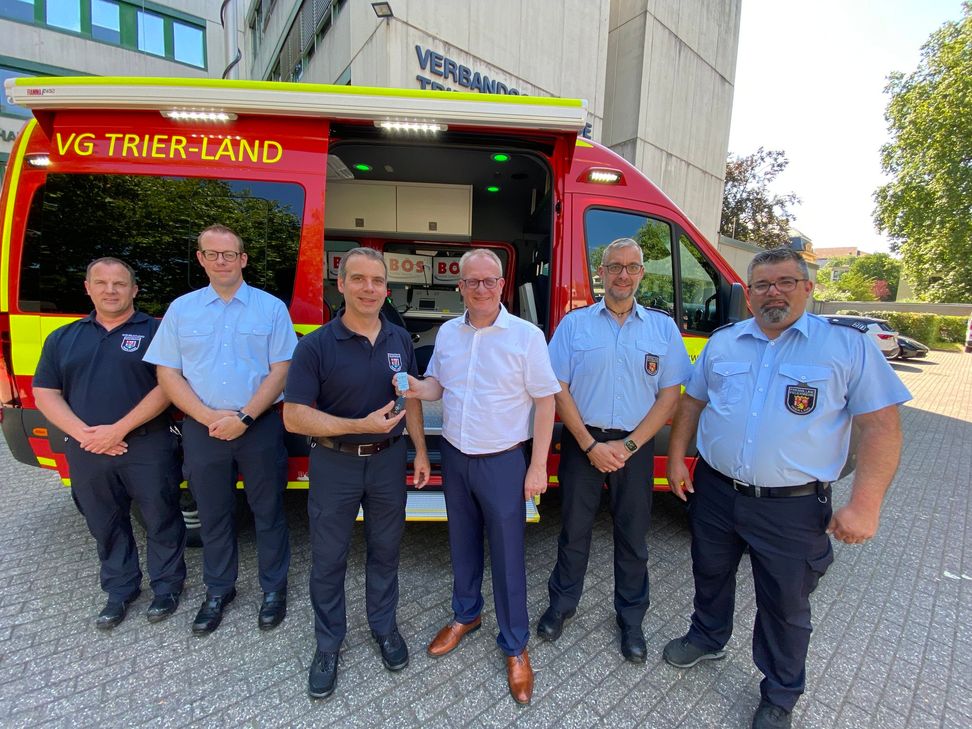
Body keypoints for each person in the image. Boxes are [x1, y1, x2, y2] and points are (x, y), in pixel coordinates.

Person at [664, 247, 911, 729]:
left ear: (808, 288)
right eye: (761, 285)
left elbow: (882, 427)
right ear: (749, 294)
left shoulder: (847, 347)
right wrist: (677, 459)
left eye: (784, 282)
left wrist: (866, 505)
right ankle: (708, 637)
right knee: (709, 572)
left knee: (785, 603)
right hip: (716, 491)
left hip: (792, 507)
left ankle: (780, 692)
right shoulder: (724, 342)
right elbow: (692, 403)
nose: (772, 292)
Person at [397, 248, 560, 705]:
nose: (482, 289)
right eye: (473, 282)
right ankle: (466, 615)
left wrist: (538, 464)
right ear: (460, 287)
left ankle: (515, 645)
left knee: (508, 556)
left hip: (503, 461)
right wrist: (411, 385)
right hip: (457, 455)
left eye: (490, 281)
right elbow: (435, 388)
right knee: (461, 543)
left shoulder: (526, 336)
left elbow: (546, 401)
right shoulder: (448, 333)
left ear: (502, 285)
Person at [282, 247, 431, 700]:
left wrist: (420, 452)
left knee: (386, 552)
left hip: (389, 461)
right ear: (340, 284)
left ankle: (384, 629)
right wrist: (358, 425)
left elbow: (411, 401)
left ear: (388, 289)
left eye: (377, 281)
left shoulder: (400, 341)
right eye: (359, 279)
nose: (369, 289)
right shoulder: (314, 346)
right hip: (336, 463)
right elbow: (293, 417)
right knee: (329, 559)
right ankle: (328, 644)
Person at [537, 238, 692, 661]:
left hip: (634, 445)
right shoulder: (574, 325)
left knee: (633, 534)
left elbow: (670, 395)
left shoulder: (662, 328)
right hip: (582, 441)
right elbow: (558, 388)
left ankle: (631, 618)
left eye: (632, 267)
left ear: (642, 273)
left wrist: (626, 446)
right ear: (600, 272)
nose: (623, 274)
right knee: (573, 530)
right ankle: (561, 605)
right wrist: (589, 445)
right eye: (614, 266)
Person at [144, 224, 297, 635]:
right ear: (201, 259)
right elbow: (168, 373)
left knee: (268, 512)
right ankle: (218, 590)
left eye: (229, 254)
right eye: (212, 254)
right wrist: (210, 417)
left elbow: (282, 369)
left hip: (260, 425)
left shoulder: (270, 309)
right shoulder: (182, 310)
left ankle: (273, 590)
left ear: (243, 259)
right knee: (213, 514)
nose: (221, 261)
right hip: (203, 427)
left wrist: (244, 416)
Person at [33, 257, 186, 629]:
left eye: (120, 283)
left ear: (134, 289)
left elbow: (167, 387)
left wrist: (117, 430)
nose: (111, 290)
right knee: (105, 522)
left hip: (147, 444)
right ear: (88, 287)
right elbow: (45, 392)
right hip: (87, 448)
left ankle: (167, 587)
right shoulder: (63, 338)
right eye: (101, 283)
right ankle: (120, 590)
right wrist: (86, 434)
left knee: (161, 517)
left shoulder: (156, 331)